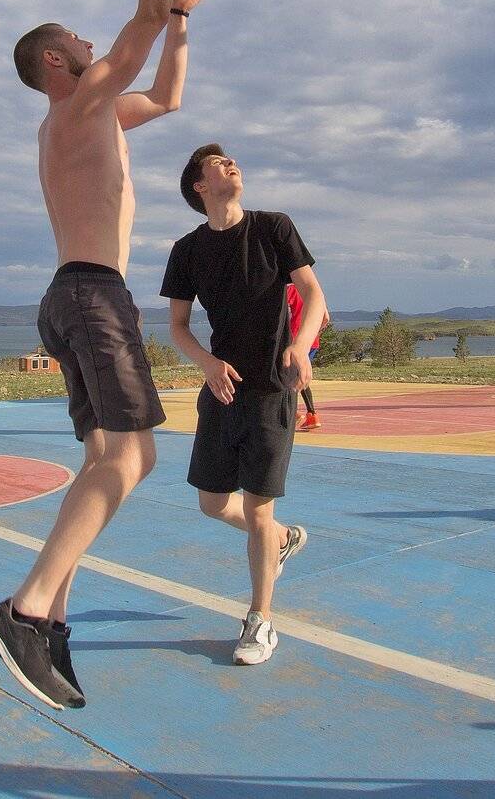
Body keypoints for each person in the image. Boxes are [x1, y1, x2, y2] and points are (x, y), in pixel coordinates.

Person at [0, 0, 213, 711]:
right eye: (75, 39)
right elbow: (137, 28)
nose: (88, 43)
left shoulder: (96, 116)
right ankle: (25, 609)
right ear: (55, 59)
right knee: (134, 456)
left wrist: (180, 16)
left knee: (101, 463)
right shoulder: (75, 107)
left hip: (75, 294)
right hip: (90, 291)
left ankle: (53, 625)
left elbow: (169, 88)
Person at [161, 144, 327, 666]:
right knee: (212, 502)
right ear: (198, 186)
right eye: (217, 163)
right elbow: (179, 327)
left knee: (257, 506)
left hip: (271, 388)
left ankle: (260, 620)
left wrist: (299, 345)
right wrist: (207, 364)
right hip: (221, 388)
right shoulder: (187, 250)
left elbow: (315, 295)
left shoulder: (275, 227)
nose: (230, 165)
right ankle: (279, 539)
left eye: (232, 160)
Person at [287, 283, 330, 430]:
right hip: (311, 340)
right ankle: (311, 415)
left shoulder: (290, 289)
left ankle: (292, 413)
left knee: (286, 376)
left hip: (295, 339)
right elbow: (325, 318)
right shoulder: (314, 292)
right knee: (300, 375)